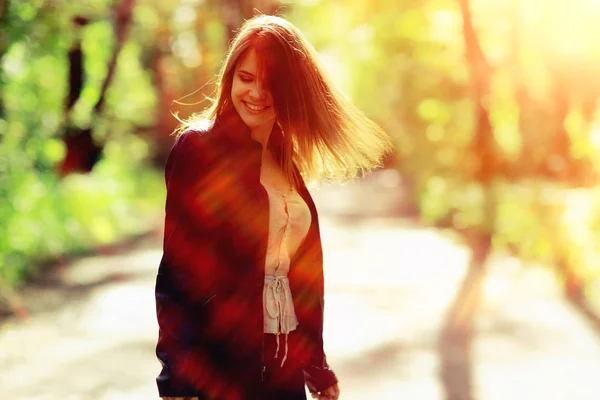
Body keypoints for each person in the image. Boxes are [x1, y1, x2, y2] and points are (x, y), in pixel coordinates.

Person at [154, 14, 392, 400]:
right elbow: (178, 273)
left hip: (284, 370)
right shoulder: (199, 150)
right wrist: (175, 375)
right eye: (246, 78)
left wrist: (316, 367)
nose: (257, 93)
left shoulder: (287, 162)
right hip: (219, 370)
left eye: (272, 83)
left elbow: (304, 284)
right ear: (230, 77)